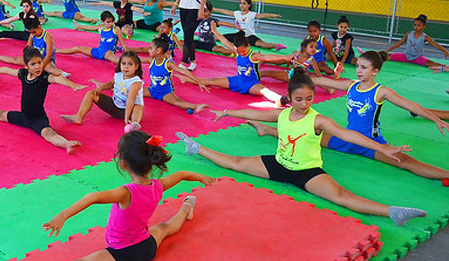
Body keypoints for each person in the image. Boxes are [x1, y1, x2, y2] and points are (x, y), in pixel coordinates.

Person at [176, 68, 427, 227]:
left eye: (309, 99)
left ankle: (393, 212)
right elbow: (250, 113)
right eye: (298, 99)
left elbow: (347, 134)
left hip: (307, 172)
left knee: (343, 197)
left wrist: (383, 149)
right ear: (289, 97)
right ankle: (195, 148)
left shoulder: (318, 119)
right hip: (279, 164)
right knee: (236, 162)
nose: (304, 104)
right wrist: (226, 111)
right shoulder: (281, 115)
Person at [0, 130, 216, 261]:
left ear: (123, 164)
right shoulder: (158, 185)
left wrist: (63, 216)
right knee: (163, 228)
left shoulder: (126, 193)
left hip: (124, 254)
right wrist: (202, 177)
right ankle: (187, 206)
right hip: (147, 248)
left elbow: (92, 197)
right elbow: (184, 173)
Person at [250, 51, 449, 182]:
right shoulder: (351, 85)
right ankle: (267, 129)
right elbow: (319, 80)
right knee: (303, 135)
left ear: (375, 71)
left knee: (406, 163)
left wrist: (436, 119)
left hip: (370, 143)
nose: (359, 71)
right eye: (359, 66)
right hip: (346, 138)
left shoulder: (381, 92)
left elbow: (410, 105)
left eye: (364, 68)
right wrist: (299, 74)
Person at [0, 47, 86, 153]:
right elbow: (6, 70)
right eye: (33, 64)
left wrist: (73, 85)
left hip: (37, 119)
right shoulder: (23, 74)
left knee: (48, 134)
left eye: (39, 62)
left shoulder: (44, 78)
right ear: (26, 66)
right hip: (24, 116)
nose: (38, 66)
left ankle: (67, 144)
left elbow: (58, 79)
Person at [195, 30, 292, 105]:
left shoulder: (253, 56)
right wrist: (215, 32)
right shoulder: (237, 52)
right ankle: (188, 78)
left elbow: (268, 57)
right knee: (211, 81)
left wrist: (285, 57)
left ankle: (281, 99)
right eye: (239, 52)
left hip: (251, 84)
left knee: (264, 91)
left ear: (248, 46)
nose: (241, 54)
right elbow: (225, 42)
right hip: (238, 80)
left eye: (243, 52)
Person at [62, 51, 144, 133]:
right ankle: (78, 117)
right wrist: (100, 88)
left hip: (130, 110)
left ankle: (134, 123)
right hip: (115, 105)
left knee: (138, 106)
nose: (126, 67)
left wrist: (126, 117)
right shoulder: (118, 75)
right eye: (123, 63)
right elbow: (111, 83)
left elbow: (130, 101)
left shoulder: (135, 82)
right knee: (91, 94)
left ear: (136, 66)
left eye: (130, 64)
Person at [143, 35, 208, 114]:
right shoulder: (151, 60)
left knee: (177, 102)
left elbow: (183, 71)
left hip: (165, 92)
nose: (148, 50)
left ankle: (196, 106)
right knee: (135, 90)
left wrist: (198, 81)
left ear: (158, 51)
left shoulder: (168, 64)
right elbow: (137, 60)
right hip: (152, 90)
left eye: (150, 48)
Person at [0, 18, 70, 77]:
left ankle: (61, 73)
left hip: (45, 60)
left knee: (48, 67)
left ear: (39, 27)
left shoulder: (47, 36)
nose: (33, 34)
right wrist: (26, 59)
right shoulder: (32, 34)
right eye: (31, 33)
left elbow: (48, 55)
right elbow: (28, 47)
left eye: (34, 32)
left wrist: (40, 66)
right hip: (34, 58)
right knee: (15, 60)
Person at [213, 0, 286, 51]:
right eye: (240, 3)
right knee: (218, 37)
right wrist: (216, 9)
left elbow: (262, 15)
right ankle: (204, 37)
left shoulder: (251, 14)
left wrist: (273, 15)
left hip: (249, 36)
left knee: (262, 44)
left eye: (244, 3)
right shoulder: (237, 13)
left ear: (249, 5)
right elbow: (227, 12)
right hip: (239, 35)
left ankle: (277, 45)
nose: (241, 5)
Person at [57, 11, 129, 65]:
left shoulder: (116, 29)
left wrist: (128, 54)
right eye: (108, 22)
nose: (111, 24)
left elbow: (123, 44)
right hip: (98, 51)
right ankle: (56, 50)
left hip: (108, 52)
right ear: (103, 22)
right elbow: (90, 27)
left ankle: (129, 64)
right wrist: (79, 26)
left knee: (114, 59)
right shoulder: (100, 28)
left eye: (112, 21)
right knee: (78, 48)